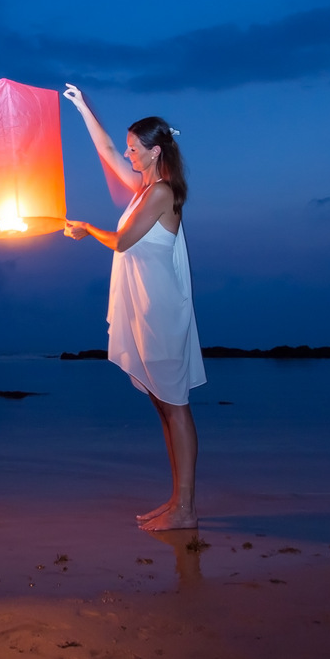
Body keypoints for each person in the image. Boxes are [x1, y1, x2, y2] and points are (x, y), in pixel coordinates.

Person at [62, 85, 205, 531]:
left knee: (175, 405)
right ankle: (176, 502)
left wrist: (87, 228)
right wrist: (83, 108)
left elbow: (122, 242)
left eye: (133, 150)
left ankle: (186, 509)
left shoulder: (162, 193)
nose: (126, 156)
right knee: (163, 407)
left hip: (163, 312)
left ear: (154, 151)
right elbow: (105, 150)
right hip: (145, 310)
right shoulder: (144, 190)